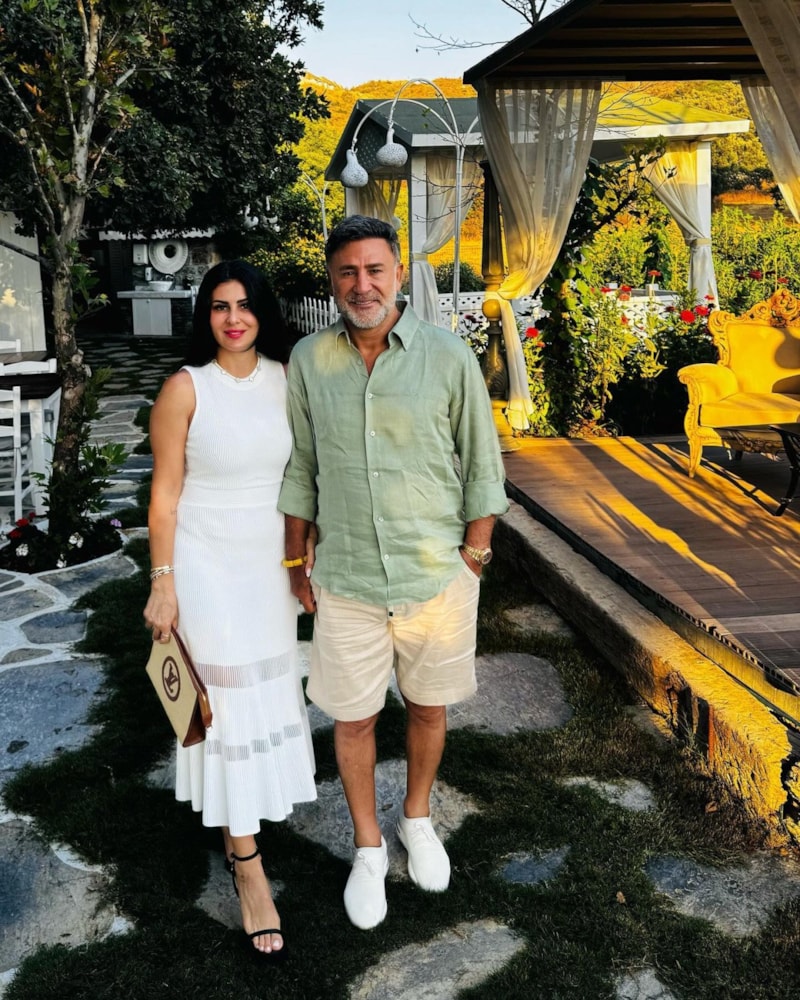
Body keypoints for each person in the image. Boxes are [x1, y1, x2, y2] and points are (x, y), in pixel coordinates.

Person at [277, 215, 508, 930]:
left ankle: (416, 818)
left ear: (399, 273)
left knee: (429, 707)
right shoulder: (309, 361)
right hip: (345, 574)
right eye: (347, 272)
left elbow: (483, 462)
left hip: (434, 573)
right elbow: (301, 467)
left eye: (375, 269)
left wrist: (474, 556)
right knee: (353, 718)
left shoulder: (447, 356)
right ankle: (368, 846)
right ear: (332, 281)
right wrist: (295, 558)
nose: (362, 285)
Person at [143, 259, 316, 958]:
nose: (234, 318)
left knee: (262, 693)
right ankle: (248, 866)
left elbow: (305, 473)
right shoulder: (185, 389)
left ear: (262, 312)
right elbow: (163, 497)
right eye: (220, 306)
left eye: (244, 305)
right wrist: (163, 583)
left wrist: (306, 552)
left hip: (268, 564)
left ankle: (243, 811)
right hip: (206, 563)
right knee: (222, 703)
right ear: (205, 316)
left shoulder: (288, 378)